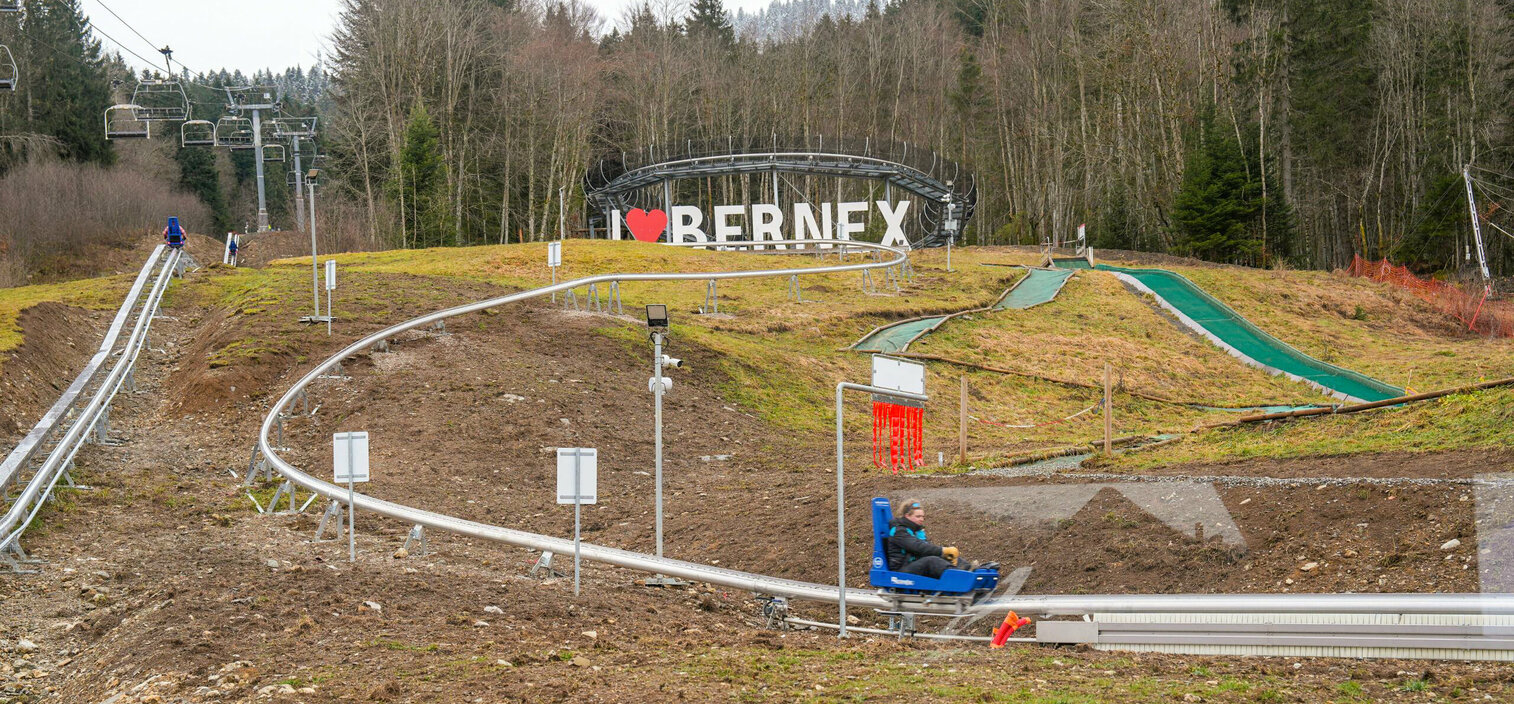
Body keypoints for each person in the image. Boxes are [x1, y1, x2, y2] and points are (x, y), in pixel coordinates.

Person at [885, 499, 962, 579]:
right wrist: (943, 550)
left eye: (922, 516)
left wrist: (944, 554)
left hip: (913, 564)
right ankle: (959, 578)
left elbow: (927, 548)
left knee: (948, 557)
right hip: (901, 570)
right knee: (931, 561)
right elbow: (918, 547)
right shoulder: (899, 531)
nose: (922, 519)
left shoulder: (916, 530)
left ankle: (970, 571)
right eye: (918, 516)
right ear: (907, 516)